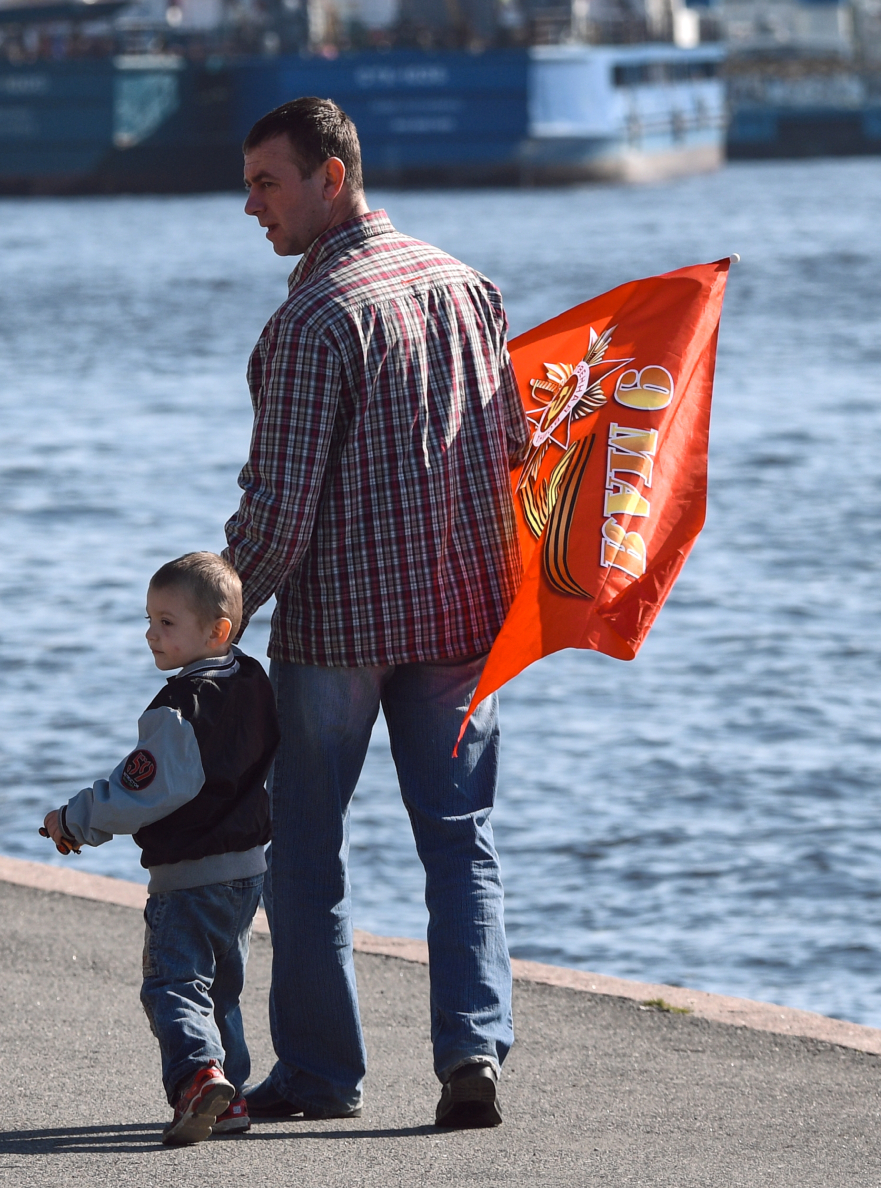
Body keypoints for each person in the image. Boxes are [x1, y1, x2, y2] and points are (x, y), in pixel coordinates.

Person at [224, 98, 530, 1128]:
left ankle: (320, 1072)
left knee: (303, 849)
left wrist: (213, 620)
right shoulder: (469, 288)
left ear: (332, 180)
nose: (253, 205)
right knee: (461, 842)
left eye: (269, 182)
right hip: (458, 621)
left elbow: (279, 514)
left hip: (340, 635)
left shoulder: (316, 321)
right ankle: (471, 1052)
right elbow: (516, 452)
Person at [41, 551, 279, 1146]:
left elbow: (139, 791)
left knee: (172, 986)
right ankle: (229, 1097)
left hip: (189, 875)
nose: (150, 633)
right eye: (150, 619)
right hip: (247, 871)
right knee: (220, 989)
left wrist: (76, 818)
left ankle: (198, 1078)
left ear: (217, 630)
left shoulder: (179, 708)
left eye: (167, 622)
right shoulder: (252, 680)